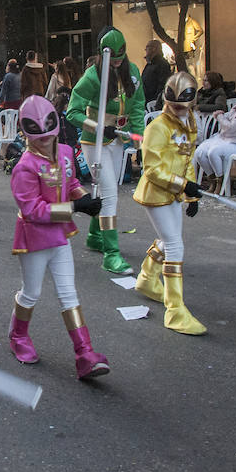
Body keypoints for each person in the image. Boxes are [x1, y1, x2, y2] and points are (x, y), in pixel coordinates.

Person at [8, 95, 107, 378]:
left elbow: (72, 182)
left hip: (60, 237)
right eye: (37, 136)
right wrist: (76, 207)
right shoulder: (24, 167)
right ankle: (18, 337)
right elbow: (33, 210)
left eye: (48, 135)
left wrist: (86, 199)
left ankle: (85, 353)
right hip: (35, 238)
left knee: (69, 294)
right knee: (32, 293)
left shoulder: (65, 152)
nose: (43, 141)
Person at [65, 27, 145, 274]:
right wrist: (99, 127)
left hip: (120, 139)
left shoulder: (132, 71)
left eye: (122, 56)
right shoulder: (92, 77)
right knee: (110, 193)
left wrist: (138, 135)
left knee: (109, 189)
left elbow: (138, 103)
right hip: (95, 142)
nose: (118, 62)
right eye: (114, 57)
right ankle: (111, 254)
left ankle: (95, 236)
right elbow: (72, 112)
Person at [132, 72, 205, 336]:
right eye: (173, 105)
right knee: (175, 244)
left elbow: (187, 161)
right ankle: (175, 311)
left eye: (182, 106)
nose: (177, 110)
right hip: (156, 194)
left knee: (168, 239)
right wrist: (184, 186)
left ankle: (147, 279)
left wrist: (192, 195)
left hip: (173, 193)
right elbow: (151, 169)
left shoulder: (190, 122)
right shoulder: (158, 127)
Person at [141, 39, 172, 106]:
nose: (145, 50)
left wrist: (156, 101)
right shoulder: (149, 64)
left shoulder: (162, 64)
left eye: (147, 48)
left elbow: (163, 84)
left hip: (153, 102)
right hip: (146, 101)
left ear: (153, 49)